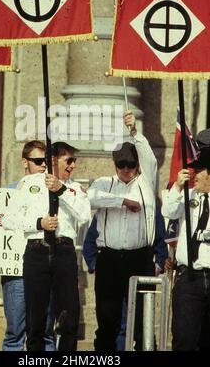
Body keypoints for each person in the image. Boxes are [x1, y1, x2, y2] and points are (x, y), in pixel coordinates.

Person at [9, 141, 91, 351]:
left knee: (69, 315)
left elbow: (83, 216)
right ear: (53, 160)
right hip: (37, 250)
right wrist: (39, 223)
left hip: (64, 250)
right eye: (68, 160)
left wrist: (61, 190)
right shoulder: (28, 183)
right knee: (36, 316)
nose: (72, 165)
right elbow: (11, 220)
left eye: (74, 161)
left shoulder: (74, 188)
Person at [87, 111, 157, 351]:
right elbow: (92, 197)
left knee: (142, 320)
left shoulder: (145, 182)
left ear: (137, 165)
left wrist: (135, 132)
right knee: (107, 321)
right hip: (110, 258)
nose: (126, 169)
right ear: (114, 164)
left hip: (139, 257)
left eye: (131, 165)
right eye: (121, 165)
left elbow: (150, 158)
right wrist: (124, 202)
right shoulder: (104, 183)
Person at [82, 208, 168, 350]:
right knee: (109, 327)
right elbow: (90, 241)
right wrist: (96, 266)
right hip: (111, 273)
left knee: (142, 326)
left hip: (140, 269)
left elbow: (160, 239)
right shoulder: (107, 208)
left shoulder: (150, 207)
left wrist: (158, 264)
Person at [1, 140, 55, 351]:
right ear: (25, 162)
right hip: (16, 270)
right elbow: (4, 223)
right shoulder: (12, 190)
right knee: (15, 332)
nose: (43, 166)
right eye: (38, 161)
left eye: (46, 161)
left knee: (45, 331)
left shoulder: (54, 189)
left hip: (43, 267)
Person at [162, 148, 210, 351]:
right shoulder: (188, 196)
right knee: (184, 339)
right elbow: (169, 210)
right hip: (189, 278)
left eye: (198, 170)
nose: (193, 174)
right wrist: (177, 187)